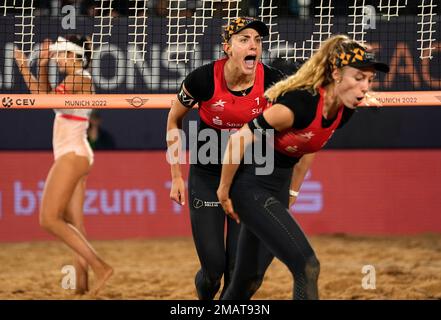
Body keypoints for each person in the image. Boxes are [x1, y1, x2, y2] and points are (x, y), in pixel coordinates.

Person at [217, 34, 389, 299]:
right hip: (251, 185)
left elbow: (311, 145)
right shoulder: (300, 104)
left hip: (277, 188)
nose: (365, 87)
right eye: (358, 78)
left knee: (247, 282)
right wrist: (224, 190)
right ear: (336, 75)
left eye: (370, 80)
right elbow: (241, 137)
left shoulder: (344, 108)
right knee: (307, 265)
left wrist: (293, 192)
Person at [166, 17, 315, 300]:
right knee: (212, 271)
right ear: (227, 47)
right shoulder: (202, 79)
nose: (253, 45)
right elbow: (173, 120)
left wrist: (292, 188)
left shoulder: (274, 81)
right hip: (208, 175)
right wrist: (175, 175)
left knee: (239, 273)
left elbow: (304, 129)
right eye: (244, 39)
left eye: (258, 41)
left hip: (249, 179)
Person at [14, 35, 113, 295]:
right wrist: (42, 65)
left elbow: (42, 100)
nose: (57, 57)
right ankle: (81, 285)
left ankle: (100, 266)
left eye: (60, 54)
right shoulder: (75, 79)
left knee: (48, 219)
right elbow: (46, 98)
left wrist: (28, 66)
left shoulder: (77, 78)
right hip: (77, 152)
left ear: (74, 56)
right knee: (74, 225)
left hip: (72, 154)